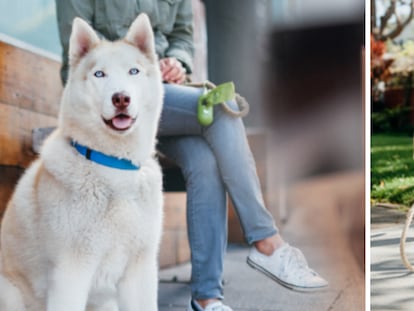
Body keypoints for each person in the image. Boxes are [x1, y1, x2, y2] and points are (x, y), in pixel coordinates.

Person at [55, 1, 328, 310]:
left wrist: (177, 62)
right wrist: (136, 66)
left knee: (205, 161)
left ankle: (206, 297)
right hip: (106, 102)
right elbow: (77, 60)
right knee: (224, 110)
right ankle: (266, 241)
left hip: (160, 100)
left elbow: (183, 38)